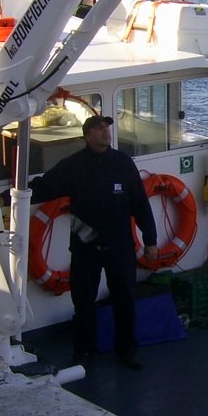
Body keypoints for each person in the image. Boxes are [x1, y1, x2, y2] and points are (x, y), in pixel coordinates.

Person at [32, 114, 158, 370]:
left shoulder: (123, 163)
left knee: (124, 299)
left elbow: (140, 203)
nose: (105, 132)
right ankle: (83, 352)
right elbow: (45, 187)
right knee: (83, 301)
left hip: (119, 245)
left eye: (107, 127)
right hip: (85, 246)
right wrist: (11, 193)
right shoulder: (73, 166)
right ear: (87, 136)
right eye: (99, 128)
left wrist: (151, 240)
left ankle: (127, 350)